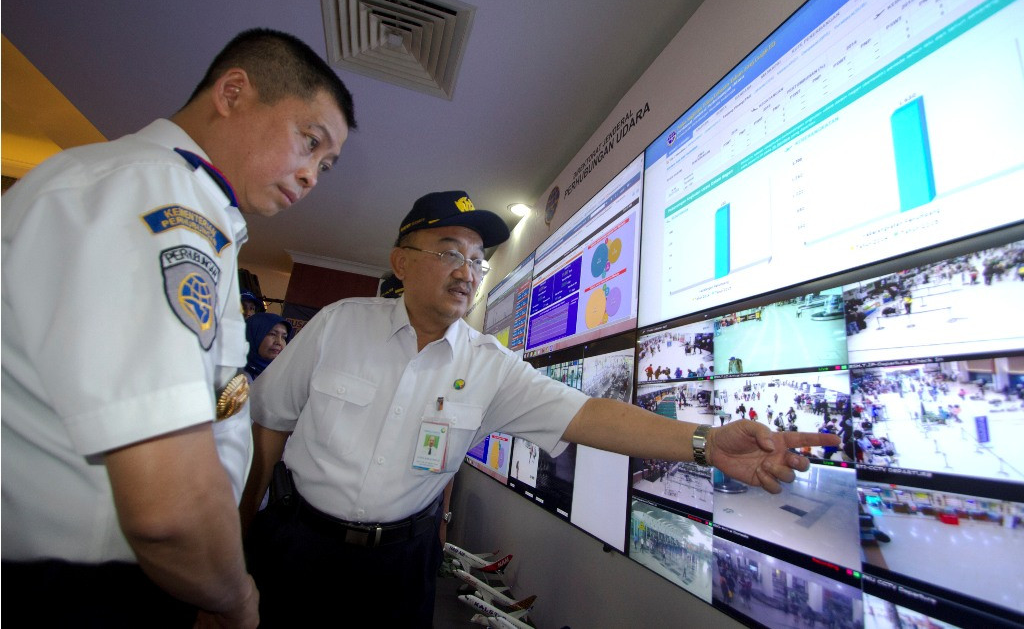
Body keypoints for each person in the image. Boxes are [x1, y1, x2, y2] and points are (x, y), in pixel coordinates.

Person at [239, 191, 838, 627]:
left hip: (400, 566)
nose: (468, 272)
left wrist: (706, 444)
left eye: (476, 260)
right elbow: (270, 423)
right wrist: (240, 532)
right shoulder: (338, 323)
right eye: (450, 252)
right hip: (298, 546)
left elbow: (591, 416)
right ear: (401, 262)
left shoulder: (488, 363)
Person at [1, 28, 355, 627]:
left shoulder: (188, 214)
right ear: (234, 92)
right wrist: (234, 598)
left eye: (326, 165)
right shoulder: (156, 197)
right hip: (77, 590)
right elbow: (166, 507)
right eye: (309, 141)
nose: (312, 177)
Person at [243, 313, 293, 382]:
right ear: (252, 336)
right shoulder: (231, 376)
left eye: (284, 337)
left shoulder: (286, 377)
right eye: (272, 334)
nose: (279, 342)